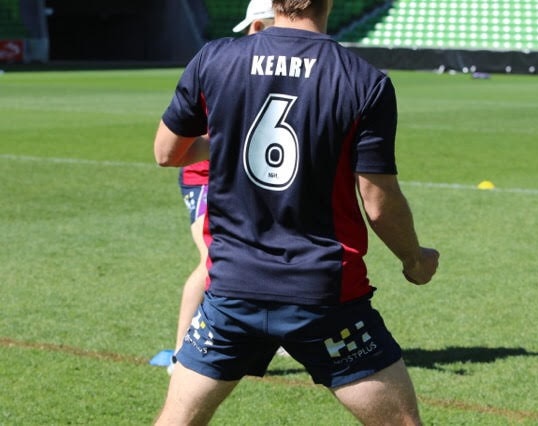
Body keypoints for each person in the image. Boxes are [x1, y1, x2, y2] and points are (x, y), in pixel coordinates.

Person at [153, 0, 440, 424]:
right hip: (324, 296)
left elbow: (166, 153)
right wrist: (414, 259)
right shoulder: (364, 79)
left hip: (233, 291)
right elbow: (377, 203)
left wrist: (227, 144)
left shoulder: (214, 58)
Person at [170, 0, 275, 372]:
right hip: (205, 176)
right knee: (211, 260)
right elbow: (177, 137)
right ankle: (182, 350)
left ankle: (268, 336)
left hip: (239, 174)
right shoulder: (224, 64)